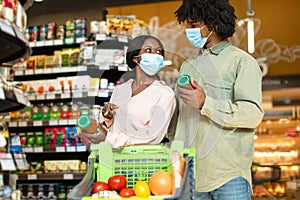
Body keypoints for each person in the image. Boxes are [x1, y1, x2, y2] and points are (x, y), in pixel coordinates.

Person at [172, 0, 264, 199]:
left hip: (229, 176)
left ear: (212, 24)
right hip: (191, 175)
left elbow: (252, 115)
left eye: (194, 25)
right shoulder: (187, 67)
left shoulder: (241, 62)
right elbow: (181, 121)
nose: (188, 30)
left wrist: (206, 103)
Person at [81, 35, 176, 149]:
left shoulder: (164, 94)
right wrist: (107, 119)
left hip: (146, 162)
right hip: (114, 160)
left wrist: (109, 138)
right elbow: (112, 130)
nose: (155, 54)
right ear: (135, 58)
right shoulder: (120, 90)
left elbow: (152, 137)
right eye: (148, 50)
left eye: (159, 51)